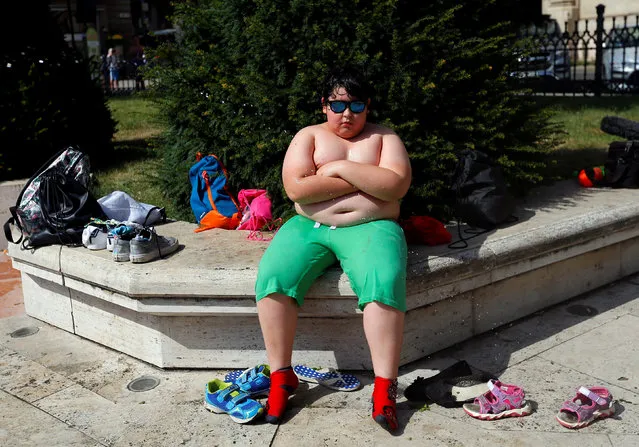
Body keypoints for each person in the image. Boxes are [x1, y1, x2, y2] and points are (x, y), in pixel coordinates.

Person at [255, 66, 412, 432]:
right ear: (324, 105)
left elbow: (395, 186)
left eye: (357, 105)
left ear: (367, 106)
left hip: (371, 228)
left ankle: (385, 389)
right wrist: (367, 183)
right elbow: (297, 190)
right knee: (275, 275)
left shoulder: (385, 138)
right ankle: (281, 377)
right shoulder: (308, 136)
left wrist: (336, 168)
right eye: (338, 104)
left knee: (383, 278)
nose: (348, 113)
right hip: (308, 228)